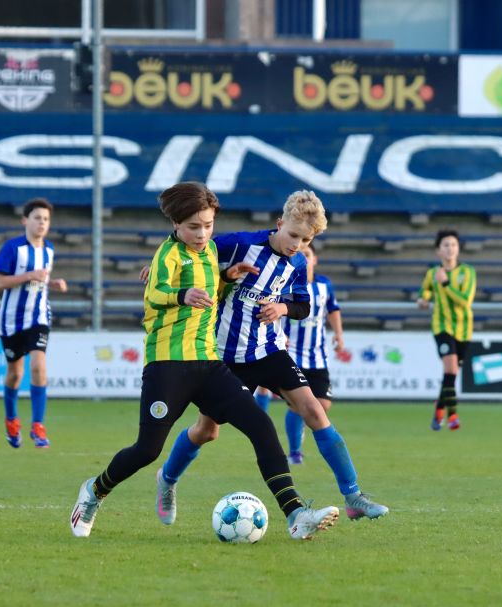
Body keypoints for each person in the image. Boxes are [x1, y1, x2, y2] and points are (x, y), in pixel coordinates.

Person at [69, 182, 338, 540]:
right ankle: (94, 492)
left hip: (208, 362)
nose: (202, 234)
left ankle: (296, 513)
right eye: (194, 227)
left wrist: (227, 276)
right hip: (168, 362)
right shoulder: (167, 254)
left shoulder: (210, 250)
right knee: (147, 450)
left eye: (208, 225)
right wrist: (182, 294)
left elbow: (213, 289)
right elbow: (155, 294)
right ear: (176, 224)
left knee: (261, 426)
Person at [154, 190, 389, 525]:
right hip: (226, 357)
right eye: (293, 235)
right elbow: (190, 252)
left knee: (314, 410)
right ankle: (167, 479)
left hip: (269, 350)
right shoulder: (239, 244)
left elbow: (303, 305)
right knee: (207, 431)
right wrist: (158, 271)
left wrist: (282, 308)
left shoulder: (298, 263)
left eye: (306, 240)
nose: (297, 245)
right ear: (280, 223)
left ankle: (353, 497)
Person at [0, 198, 68, 449]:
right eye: (37, 218)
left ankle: (38, 425)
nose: (42, 223)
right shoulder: (13, 248)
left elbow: (40, 281)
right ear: (25, 220)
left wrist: (53, 283)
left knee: (38, 366)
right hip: (11, 320)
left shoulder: (49, 249)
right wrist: (29, 276)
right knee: (15, 374)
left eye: (46, 219)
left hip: (39, 316)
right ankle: (11, 419)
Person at [280, 245, 345, 465]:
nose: (304, 258)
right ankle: (294, 451)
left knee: (323, 404)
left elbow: (333, 309)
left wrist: (338, 335)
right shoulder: (286, 283)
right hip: (292, 353)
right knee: (296, 404)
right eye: (299, 254)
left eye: (307, 254)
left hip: (317, 355)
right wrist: (279, 334)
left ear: (315, 259)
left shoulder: (324, 285)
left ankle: (299, 431)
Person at [416, 229, 476, 431]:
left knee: (452, 373)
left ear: (458, 249)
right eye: (446, 245)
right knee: (450, 369)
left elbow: (465, 301)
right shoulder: (432, 273)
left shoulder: (468, 272)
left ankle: (439, 407)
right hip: (441, 326)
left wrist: (446, 284)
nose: (450, 249)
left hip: (464, 328)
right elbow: (424, 290)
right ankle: (453, 415)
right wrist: (423, 299)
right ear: (438, 250)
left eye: (453, 245)